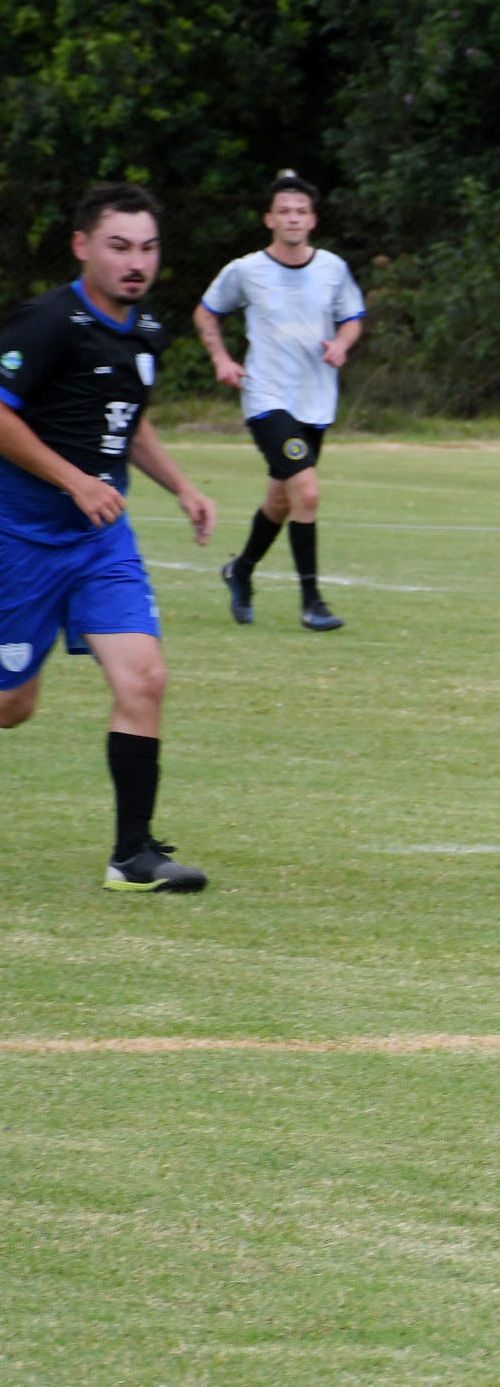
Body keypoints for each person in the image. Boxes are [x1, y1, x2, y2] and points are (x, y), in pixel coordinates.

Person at [0, 184, 218, 891]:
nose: (136, 262)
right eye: (119, 246)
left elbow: (129, 420)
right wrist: (75, 480)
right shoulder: (46, 323)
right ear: (82, 246)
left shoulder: (146, 329)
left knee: (144, 677)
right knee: (12, 708)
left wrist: (182, 486)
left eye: (148, 248)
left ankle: (133, 856)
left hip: (99, 541)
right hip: (19, 538)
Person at [195, 170, 365, 632]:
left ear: (313, 220)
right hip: (266, 398)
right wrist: (221, 359)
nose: (292, 218)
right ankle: (312, 603)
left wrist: (342, 344)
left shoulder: (332, 269)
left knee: (281, 499)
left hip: (316, 401)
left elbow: (352, 318)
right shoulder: (246, 271)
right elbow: (206, 313)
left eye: (301, 211)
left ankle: (240, 570)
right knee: (306, 491)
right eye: (284, 211)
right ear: (269, 219)